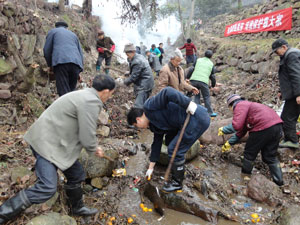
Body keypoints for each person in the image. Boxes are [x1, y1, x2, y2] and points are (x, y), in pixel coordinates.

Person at [0, 75, 116, 224]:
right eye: (111, 94)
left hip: (53, 141)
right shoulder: (91, 101)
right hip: (46, 145)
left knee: (76, 173)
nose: (110, 97)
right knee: (47, 188)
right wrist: (94, 148)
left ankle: (76, 207)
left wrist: (91, 145)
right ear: (106, 91)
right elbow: (87, 133)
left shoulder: (85, 94)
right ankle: (3, 213)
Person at [127, 87, 210, 192]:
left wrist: (188, 104)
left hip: (196, 118)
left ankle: (177, 183)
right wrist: (150, 168)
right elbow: (156, 144)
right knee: (170, 142)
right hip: (188, 123)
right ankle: (177, 171)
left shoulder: (150, 106)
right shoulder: (153, 125)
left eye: (136, 125)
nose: (139, 128)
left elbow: (168, 92)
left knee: (174, 149)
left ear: (138, 119)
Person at [218, 94, 284, 186]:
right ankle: (279, 182)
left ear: (231, 105)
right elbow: (241, 131)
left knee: (249, 153)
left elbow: (236, 126)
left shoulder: (240, 105)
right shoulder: (250, 108)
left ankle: (245, 177)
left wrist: (224, 129)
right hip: (277, 127)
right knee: (270, 156)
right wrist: (229, 143)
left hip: (262, 127)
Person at [272, 38, 300, 149]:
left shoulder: (291, 55)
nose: (276, 53)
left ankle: (292, 141)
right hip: (292, 93)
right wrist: (282, 92)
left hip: (295, 94)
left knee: (287, 117)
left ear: (284, 47)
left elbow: (296, 75)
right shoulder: (290, 54)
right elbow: (287, 77)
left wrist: (299, 94)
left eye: (276, 51)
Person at [43, 21, 84, 96]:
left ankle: (66, 107)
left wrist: (50, 65)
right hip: (76, 63)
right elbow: (80, 53)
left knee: (63, 91)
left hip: (61, 62)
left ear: (56, 26)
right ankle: (72, 107)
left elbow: (46, 50)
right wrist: (80, 70)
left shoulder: (53, 32)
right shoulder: (73, 35)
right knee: (71, 92)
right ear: (66, 27)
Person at [187, 50, 217, 117]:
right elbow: (212, 76)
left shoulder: (198, 60)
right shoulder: (211, 64)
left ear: (204, 54)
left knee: (196, 95)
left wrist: (187, 78)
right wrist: (213, 85)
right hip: (203, 82)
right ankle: (210, 113)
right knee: (206, 97)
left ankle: (196, 112)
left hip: (194, 80)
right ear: (211, 56)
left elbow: (191, 69)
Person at [123, 43, 154, 108]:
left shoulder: (137, 61)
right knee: (144, 103)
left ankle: (138, 117)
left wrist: (123, 83)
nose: (126, 55)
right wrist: (129, 72)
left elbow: (133, 78)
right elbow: (140, 70)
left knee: (138, 106)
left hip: (144, 85)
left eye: (127, 53)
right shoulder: (139, 56)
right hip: (148, 82)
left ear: (133, 52)